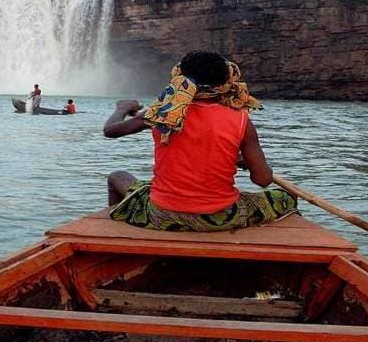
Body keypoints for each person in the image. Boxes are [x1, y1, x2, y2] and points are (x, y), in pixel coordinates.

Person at [102, 50, 297, 232]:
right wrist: (246, 160)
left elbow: (111, 131)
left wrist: (122, 109)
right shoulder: (241, 121)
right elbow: (263, 180)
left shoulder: (161, 114)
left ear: (180, 78)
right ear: (226, 81)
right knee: (287, 196)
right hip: (220, 217)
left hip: (160, 215)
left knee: (117, 177)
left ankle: (115, 235)